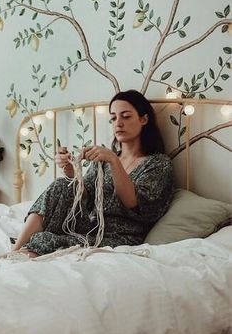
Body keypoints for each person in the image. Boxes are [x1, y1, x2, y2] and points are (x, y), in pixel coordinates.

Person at [12, 90, 174, 257]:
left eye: (125, 116)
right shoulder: (104, 160)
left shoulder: (158, 164)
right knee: (60, 185)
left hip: (119, 237)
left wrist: (113, 160)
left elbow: (133, 202)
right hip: (89, 226)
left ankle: (26, 253)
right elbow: (84, 194)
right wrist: (69, 170)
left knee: (51, 240)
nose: (118, 123)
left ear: (144, 119)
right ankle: (15, 251)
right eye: (113, 118)